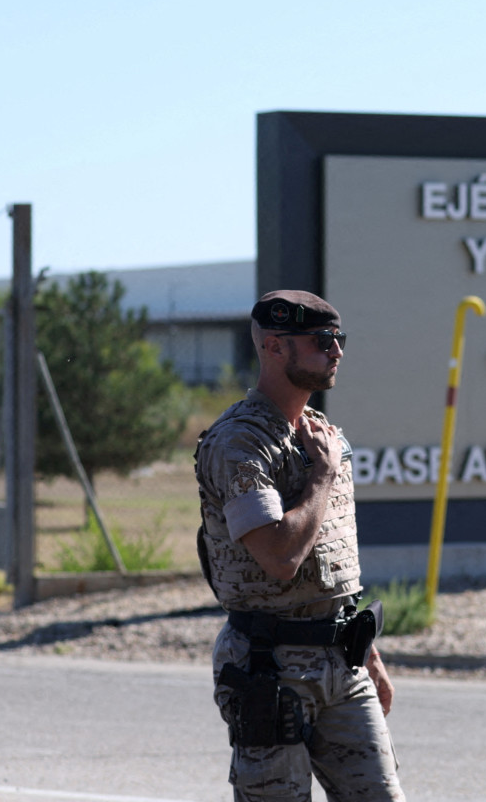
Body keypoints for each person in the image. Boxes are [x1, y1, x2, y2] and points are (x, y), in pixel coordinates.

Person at [194, 289, 405, 802]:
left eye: (338, 339)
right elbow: (281, 558)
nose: (335, 350)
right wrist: (321, 476)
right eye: (320, 340)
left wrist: (367, 653)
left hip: (342, 659)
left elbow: (330, 563)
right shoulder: (240, 444)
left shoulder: (323, 437)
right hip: (269, 666)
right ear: (273, 347)